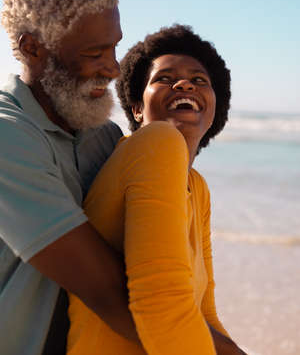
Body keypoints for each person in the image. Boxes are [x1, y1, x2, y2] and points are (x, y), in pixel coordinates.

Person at [67, 25, 247, 354]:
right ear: (137, 108)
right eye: (164, 78)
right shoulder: (155, 143)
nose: (184, 84)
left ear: (213, 110)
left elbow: (204, 312)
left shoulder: (197, 187)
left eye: (200, 80)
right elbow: (161, 304)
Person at [0, 0, 139, 355]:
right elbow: (109, 292)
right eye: (95, 52)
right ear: (32, 48)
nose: (113, 68)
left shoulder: (105, 136)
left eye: (115, 47)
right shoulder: (5, 134)